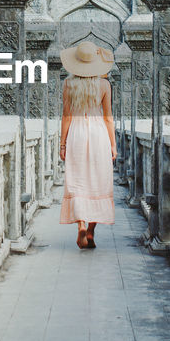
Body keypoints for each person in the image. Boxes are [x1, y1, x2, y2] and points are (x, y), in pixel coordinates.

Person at [58, 39, 116, 249]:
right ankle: (90, 231)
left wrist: (62, 144)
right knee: (98, 180)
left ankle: (80, 225)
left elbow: (66, 116)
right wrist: (113, 144)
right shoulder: (104, 85)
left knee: (79, 179)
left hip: (76, 133)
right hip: (99, 133)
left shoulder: (68, 84)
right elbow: (108, 117)